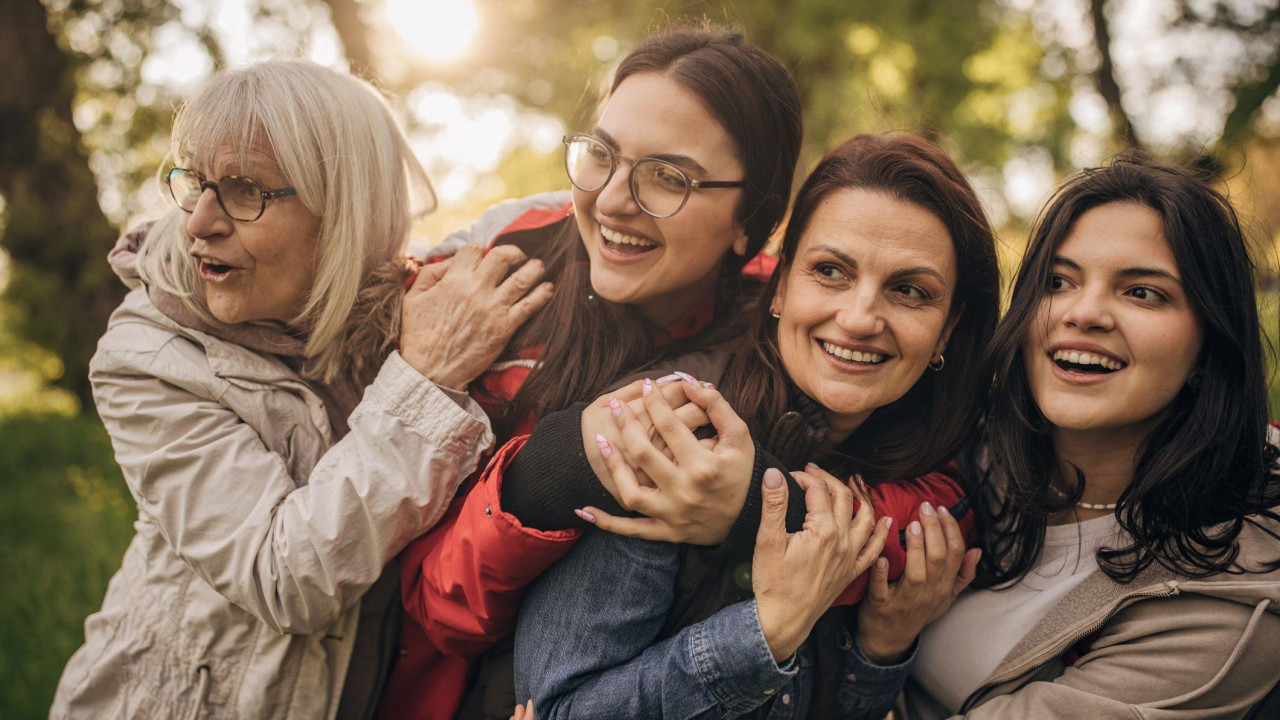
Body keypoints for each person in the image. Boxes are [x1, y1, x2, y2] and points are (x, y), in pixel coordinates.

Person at [49, 60, 553, 720]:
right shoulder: (149, 358)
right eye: (196, 182)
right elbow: (284, 578)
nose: (200, 222)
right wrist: (424, 382)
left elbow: (538, 225)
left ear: (345, 210)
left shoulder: (388, 306)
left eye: (245, 190)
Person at [378, 25, 807, 720]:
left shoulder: (795, 322)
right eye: (601, 155)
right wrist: (547, 474)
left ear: (749, 218)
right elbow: (435, 603)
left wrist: (758, 507)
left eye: (667, 177)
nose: (610, 201)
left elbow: (922, 496)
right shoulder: (504, 264)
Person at [513, 133, 1002, 719]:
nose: (858, 318)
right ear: (782, 286)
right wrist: (768, 630)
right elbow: (557, 710)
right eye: (831, 271)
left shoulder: (927, 467)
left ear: (948, 330)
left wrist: (881, 647)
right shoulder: (676, 425)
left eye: (909, 290)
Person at [892, 154, 1280, 718]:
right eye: (1058, 282)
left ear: (1210, 347)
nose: (1084, 313)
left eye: (1142, 292)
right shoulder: (967, 438)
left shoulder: (1232, 592)